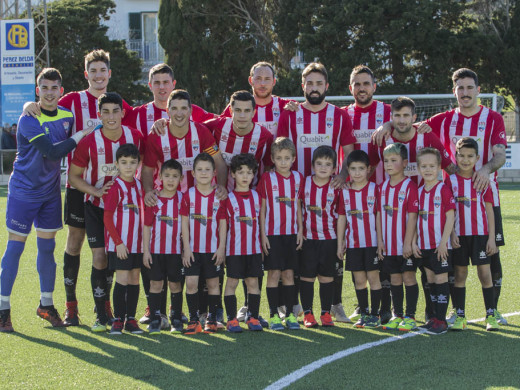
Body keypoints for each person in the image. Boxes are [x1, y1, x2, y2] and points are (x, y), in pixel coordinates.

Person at [23, 49, 134, 326]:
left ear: (109, 73)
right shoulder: (72, 100)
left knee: (106, 249)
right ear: (87, 75)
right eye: (93, 71)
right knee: (74, 242)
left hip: (112, 192)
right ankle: (71, 305)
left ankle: (104, 306)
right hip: (80, 185)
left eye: (102, 70)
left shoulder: (120, 104)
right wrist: (28, 105)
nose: (98, 75)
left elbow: (135, 128)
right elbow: (45, 104)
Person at [0, 68, 92, 332]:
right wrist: (80, 134)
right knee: (15, 248)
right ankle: (3, 309)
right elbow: (52, 152)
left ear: (60, 91)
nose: (50, 92)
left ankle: (46, 304)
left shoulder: (67, 115)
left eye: (54, 88)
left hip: (51, 194)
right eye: (44, 87)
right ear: (37, 90)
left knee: (47, 249)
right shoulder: (29, 118)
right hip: (23, 192)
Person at [139, 89, 227, 326]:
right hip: (167, 203)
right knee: (165, 257)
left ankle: (208, 313)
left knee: (200, 257)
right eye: (174, 108)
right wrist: (149, 192)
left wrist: (222, 187)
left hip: (200, 204)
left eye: (183, 108)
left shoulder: (202, 132)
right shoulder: (157, 136)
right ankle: (160, 312)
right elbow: (147, 170)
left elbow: (218, 163)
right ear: (167, 111)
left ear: (190, 110)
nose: (179, 113)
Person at [370, 96, 456, 322]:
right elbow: (368, 165)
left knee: (427, 271)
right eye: (397, 116)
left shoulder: (426, 134)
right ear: (390, 118)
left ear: (414, 117)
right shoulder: (382, 137)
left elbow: (449, 166)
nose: (401, 120)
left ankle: (431, 313)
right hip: (393, 216)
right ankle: (391, 312)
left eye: (406, 115)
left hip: (427, 216)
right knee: (395, 272)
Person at [68, 92, 144, 332]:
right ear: (99, 115)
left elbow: (151, 166)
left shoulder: (136, 137)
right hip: (96, 207)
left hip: (128, 211)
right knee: (100, 257)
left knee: (127, 262)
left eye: (115, 111)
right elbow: (73, 176)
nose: (111, 117)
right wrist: (96, 191)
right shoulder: (89, 142)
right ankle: (102, 314)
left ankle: (125, 315)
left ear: (123, 113)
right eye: (106, 112)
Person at [343, 65, 393, 324]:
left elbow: (408, 120)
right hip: (352, 191)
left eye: (366, 83)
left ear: (374, 86)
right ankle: (364, 308)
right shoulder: (342, 114)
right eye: (357, 84)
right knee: (358, 251)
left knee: (380, 250)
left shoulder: (387, 112)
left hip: (383, 189)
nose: (362, 88)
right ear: (350, 88)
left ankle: (385, 307)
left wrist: (390, 123)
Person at [445, 137, 499, 331]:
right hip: (459, 236)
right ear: (456, 156)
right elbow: (448, 212)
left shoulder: (481, 180)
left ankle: (491, 315)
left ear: (477, 158)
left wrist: (492, 238)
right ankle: (460, 316)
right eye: (461, 156)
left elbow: (490, 210)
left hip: (480, 236)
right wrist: (451, 234)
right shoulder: (450, 180)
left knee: (485, 274)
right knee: (460, 274)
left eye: (470, 156)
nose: (465, 160)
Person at [278, 62, 355, 184]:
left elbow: (349, 153)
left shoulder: (340, 116)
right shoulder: (289, 114)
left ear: (326, 86)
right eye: (309, 84)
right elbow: (279, 151)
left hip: (329, 188)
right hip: (295, 187)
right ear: (303, 86)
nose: (314, 88)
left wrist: (342, 175)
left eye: (319, 84)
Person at [258, 137, 303, 331]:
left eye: (287, 158)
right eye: (279, 158)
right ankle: (274, 315)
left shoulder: (298, 178)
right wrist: (263, 234)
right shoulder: (267, 178)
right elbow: (262, 209)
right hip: (273, 234)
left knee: (289, 274)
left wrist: (301, 230)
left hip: (291, 234)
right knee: (274, 274)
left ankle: (291, 314)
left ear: (293, 158)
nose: (283, 162)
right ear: (272, 159)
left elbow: (299, 206)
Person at [180, 153, 226, 334]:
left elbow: (222, 224)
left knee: (213, 284)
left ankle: (212, 319)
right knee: (191, 283)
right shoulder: (188, 195)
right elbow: (184, 223)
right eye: (199, 169)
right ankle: (193, 320)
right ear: (193, 173)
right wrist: (186, 248)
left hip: (213, 250)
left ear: (214, 172)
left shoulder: (219, 196)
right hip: (193, 250)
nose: (204, 173)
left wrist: (221, 248)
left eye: (207, 170)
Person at [336, 150, 382, 328]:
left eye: (361, 169)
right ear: (347, 169)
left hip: (372, 244)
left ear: (368, 169)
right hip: (353, 244)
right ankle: (364, 312)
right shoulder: (345, 192)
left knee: (373, 278)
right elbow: (341, 218)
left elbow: (378, 217)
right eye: (353, 169)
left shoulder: (374, 189)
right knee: (360, 280)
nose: (357, 173)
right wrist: (341, 243)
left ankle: (375, 315)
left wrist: (381, 241)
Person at [219, 154, 264, 332]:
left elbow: (260, 224)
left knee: (253, 283)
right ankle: (231, 319)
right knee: (232, 283)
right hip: (234, 251)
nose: (245, 176)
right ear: (233, 175)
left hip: (253, 250)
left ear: (253, 175)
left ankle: (253, 317)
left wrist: (262, 244)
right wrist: (222, 249)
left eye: (249, 172)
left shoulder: (256, 197)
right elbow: (223, 227)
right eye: (241, 172)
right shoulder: (228, 199)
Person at [413, 148, 456, 335]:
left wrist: (443, 243)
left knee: (441, 279)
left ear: (439, 167)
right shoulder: (418, 191)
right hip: (424, 245)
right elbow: (413, 220)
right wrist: (414, 242)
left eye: (432, 166)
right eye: (424, 166)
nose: (428, 169)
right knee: (430, 280)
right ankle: (432, 318)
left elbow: (450, 217)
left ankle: (441, 320)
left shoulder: (443, 189)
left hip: (440, 246)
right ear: (418, 168)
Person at [378, 143, 419, 332]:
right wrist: (380, 241)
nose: (388, 164)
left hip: (405, 245)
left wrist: (409, 242)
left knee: (409, 278)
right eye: (386, 161)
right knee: (395, 279)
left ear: (404, 163)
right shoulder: (383, 186)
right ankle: (398, 314)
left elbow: (413, 216)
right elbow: (379, 215)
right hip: (389, 245)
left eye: (393, 160)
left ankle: (410, 316)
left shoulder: (410, 186)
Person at [103, 144, 144, 335]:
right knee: (123, 278)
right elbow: (107, 217)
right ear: (116, 164)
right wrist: (118, 242)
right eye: (124, 162)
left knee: (135, 278)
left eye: (132, 162)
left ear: (138, 164)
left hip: (137, 244)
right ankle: (118, 320)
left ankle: (131, 319)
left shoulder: (139, 185)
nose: (128, 166)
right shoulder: (115, 187)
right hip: (120, 244)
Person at [299, 146, 341, 328]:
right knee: (307, 277)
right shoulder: (304, 182)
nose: (323, 167)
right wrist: (300, 231)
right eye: (319, 163)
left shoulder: (336, 186)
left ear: (334, 169)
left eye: (328, 164)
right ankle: (307, 313)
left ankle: (325, 313)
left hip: (329, 239)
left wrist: (341, 242)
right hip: (308, 239)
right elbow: (297, 208)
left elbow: (341, 216)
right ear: (313, 166)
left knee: (326, 277)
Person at [143, 159, 185, 334]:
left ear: (181, 178)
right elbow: (147, 226)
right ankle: (155, 320)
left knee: (175, 285)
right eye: (167, 175)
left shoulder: (183, 199)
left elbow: (187, 227)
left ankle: (176, 319)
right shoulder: (154, 199)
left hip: (175, 252)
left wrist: (186, 249)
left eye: (175, 176)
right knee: (155, 284)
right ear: (159, 177)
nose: (170, 180)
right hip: (156, 251)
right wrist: (146, 251)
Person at [204, 90, 273, 191]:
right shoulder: (216, 126)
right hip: (218, 195)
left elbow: (268, 170)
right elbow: (194, 129)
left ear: (253, 113)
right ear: (231, 112)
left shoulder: (265, 137)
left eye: (247, 111)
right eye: (238, 110)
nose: (242, 115)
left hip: (250, 198)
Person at [127, 63, 215, 137]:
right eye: (157, 83)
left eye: (165, 82)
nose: (161, 87)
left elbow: (223, 120)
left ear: (173, 84)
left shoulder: (191, 111)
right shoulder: (138, 114)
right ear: (150, 86)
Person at [221, 61, 292, 136]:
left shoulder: (287, 106)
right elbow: (218, 127)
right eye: (258, 78)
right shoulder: (237, 106)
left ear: (274, 82)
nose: (262, 84)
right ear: (250, 80)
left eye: (267, 79)